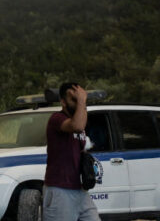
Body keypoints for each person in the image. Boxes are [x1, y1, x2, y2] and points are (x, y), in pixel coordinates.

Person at [43, 83, 100, 221]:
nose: (77, 102)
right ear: (62, 102)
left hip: (80, 190)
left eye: (79, 98)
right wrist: (81, 100)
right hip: (60, 190)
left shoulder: (80, 119)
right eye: (73, 99)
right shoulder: (57, 119)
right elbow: (77, 125)